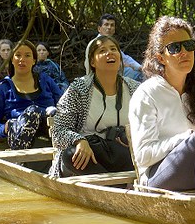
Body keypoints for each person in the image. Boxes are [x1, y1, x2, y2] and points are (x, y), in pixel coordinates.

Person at [129, 16, 195, 194]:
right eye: (175, 48)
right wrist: (184, 139)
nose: (184, 52)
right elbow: (143, 156)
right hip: (158, 176)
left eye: (189, 45)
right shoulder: (146, 94)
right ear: (160, 57)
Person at [50, 35, 140, 177]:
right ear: (92, 61)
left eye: (113, 49)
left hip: (121, 153)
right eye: (102, 50)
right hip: (90, 154)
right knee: (70, 155)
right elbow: (59, 131)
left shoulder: (135, 89)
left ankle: (116, 186)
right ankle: (117, 187)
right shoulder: (79, 89)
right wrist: (79, 140)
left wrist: (131, 138)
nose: (109, 53)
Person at [0, 40, 65, 150]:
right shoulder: (3, 88)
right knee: (33, 112)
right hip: (20, 142)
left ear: (34, 60)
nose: (22, 59)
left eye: (27, 55)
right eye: (18, 55)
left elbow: (63, 105)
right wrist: (4, 128)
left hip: (50, 136)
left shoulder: (45, 80)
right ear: (12, 59)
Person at [84, 14, 143, 81]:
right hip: (99, 79)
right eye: (106, 24)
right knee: (134, 73)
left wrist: (140, 67)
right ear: (99, 29)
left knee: (142, 71)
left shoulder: (110, 43)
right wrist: (122, 65)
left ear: (114, 30)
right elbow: (103, 65)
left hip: (114, 75)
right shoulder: (95, 43)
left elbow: (125, 58)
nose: (109, 27)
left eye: (112, 25)